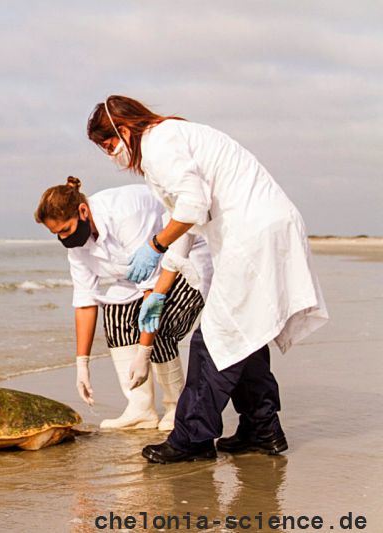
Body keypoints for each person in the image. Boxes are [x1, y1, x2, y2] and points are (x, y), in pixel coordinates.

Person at [86, 95, 329, 463]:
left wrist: (153, 244)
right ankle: (262, 429)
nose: (110, 155)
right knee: (246, 333)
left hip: (253, 235)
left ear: (124, 129)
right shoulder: (169, 140)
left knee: (215, 337)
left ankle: (191, 439)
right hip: (263, 230)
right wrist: (159, 292)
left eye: (108, 146)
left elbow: (192, 207)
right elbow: (183, 226)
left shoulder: (159, 142)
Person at [34, 176, 212, 431]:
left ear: (83, 211)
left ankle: (176, 405)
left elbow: (153, 293)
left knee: (161, 327)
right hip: (137, 278)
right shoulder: (77, 245)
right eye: (56, 234)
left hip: (185, 263)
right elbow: (85, 302)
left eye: (65, 230)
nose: (63, 238)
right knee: (115, 316)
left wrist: (144, 352)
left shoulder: (125, 213)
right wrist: (82, 365)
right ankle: (140, 408)